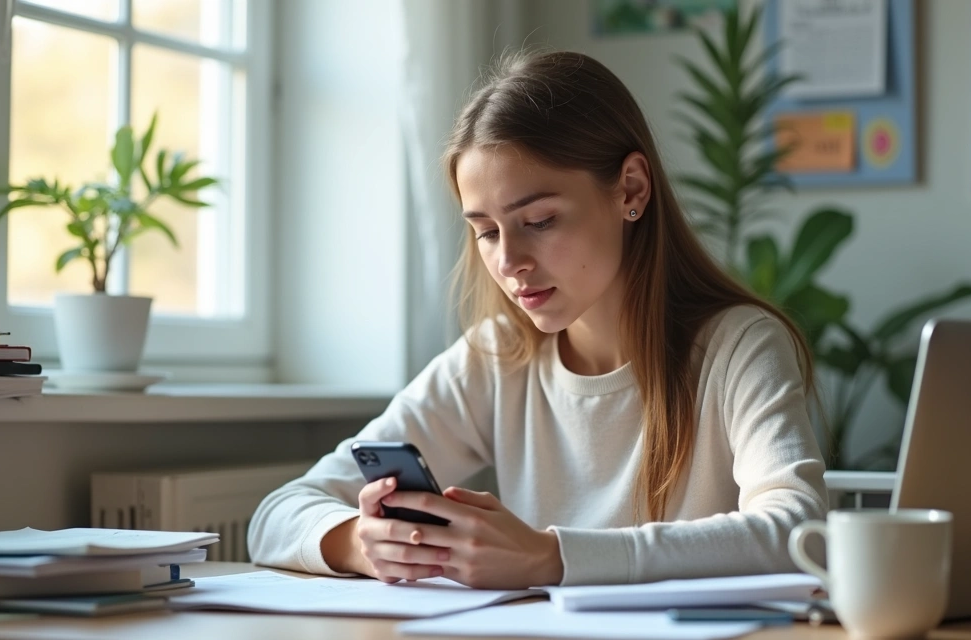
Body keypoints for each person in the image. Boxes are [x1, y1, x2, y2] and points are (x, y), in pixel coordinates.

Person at [247, 50, 828, 590]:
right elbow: (278, 513)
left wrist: (551, 558)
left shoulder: (739, 346)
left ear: (631, 188)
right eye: (486, 231)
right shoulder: (497, 356)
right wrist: (361, 542)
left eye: (540, 220)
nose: (509, 262)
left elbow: (798, 531)